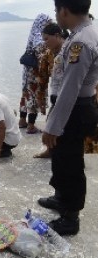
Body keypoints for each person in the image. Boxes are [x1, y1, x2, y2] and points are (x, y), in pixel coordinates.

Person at [38, 0, 98, 236]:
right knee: (61, 157)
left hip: (75, 108)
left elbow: (70, 89)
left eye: (56, 11)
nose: (57, 15)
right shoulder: (84, 32)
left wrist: (52, 126)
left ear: (64, 10)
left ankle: (70, 218)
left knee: (71, 162)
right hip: (77, 106)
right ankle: (61, 198)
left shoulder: (81, 42)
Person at [34, 23, 70, 158]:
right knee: (50, 124)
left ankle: (75, 157)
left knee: (70, 129)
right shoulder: (48, 54)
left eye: (46, 39)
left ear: (57, 36)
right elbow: (42, 77)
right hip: (56, 96)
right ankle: (50, 151)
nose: (44, 43)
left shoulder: (70, 51)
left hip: (70, 97)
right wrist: (41, 98)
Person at [19, 13, 52, 134]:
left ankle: (22, 121)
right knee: (34, 96)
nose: (49, 24)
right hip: (35, 72)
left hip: (27, 71)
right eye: (48, 22)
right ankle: (31, 126)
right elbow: (39, 50)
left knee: (26, 94)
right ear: (42, 23)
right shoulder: (39, 34)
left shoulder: (33, 32)